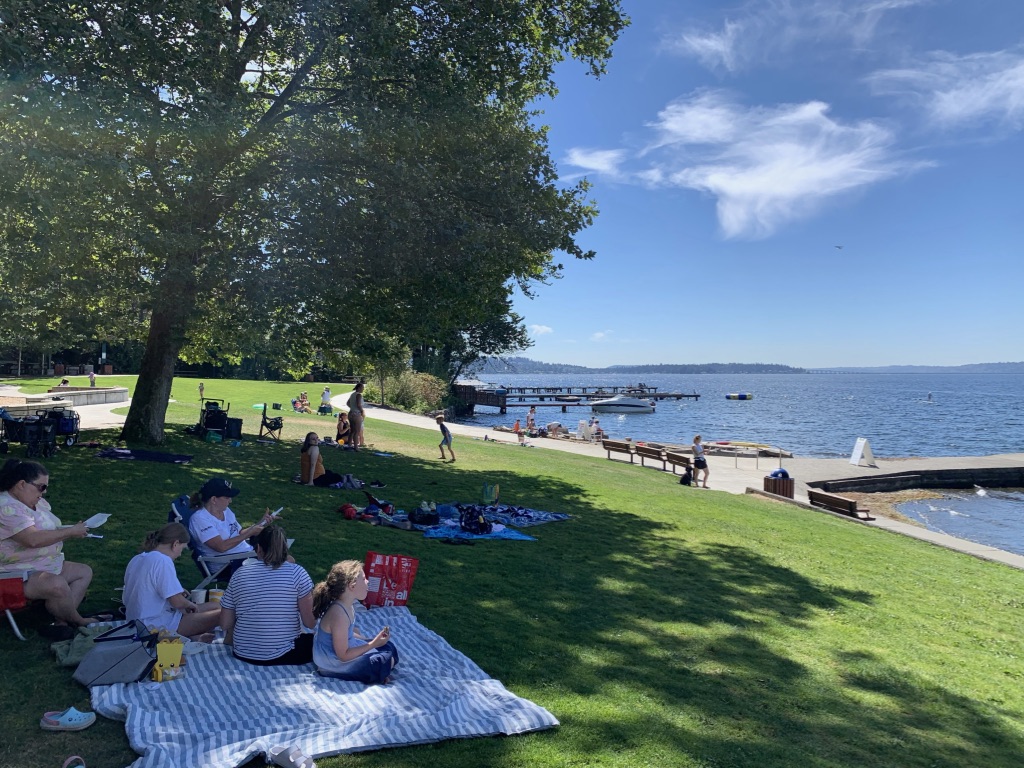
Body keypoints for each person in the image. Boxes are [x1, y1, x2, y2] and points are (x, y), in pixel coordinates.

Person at [0, 459, 96, 637]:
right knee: (56, 585)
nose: (44, 492)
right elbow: (32, 539)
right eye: (41, 487)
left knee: (83, 572)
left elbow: (45, 529)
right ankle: (78, 620)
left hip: (39, 566)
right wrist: (70, 532)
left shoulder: (34, 502)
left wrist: (69, 530)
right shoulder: (6, 507)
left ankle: (61, 622)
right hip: (11, 575)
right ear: (22, 484)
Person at [220, 525, 316, 666]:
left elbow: (225, 623)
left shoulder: (239, 574)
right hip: (284, 653)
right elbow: (310, 622)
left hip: (243, 652)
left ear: (258, 548)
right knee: (324, 640)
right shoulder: (297, 573)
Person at [122, 523, 221, 638]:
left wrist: (177, 591)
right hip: (155, 626)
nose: (180, 554)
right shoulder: (162, 560)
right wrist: (189, 604)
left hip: (134, 622)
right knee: (223, 613)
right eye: (182, 549)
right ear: (175, 544)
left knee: (215, 606)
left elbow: (147, 586)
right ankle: (193, 637)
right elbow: (177, 602)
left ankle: (194, 637)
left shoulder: (137, 559)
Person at [312, 560, 399, 684]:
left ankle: (379, 672)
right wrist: (372, 644)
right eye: (363, 579)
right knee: (384, 660)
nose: (367, 581)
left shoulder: (347, 606)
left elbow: (347, 635)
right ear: (352, 586)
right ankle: (377, 672)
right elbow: (343, 656)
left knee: (389, 647)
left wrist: (369, 640)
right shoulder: (338, 614)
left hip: (345, 652)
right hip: (332, 665)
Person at [187, 477, 272, 565]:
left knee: (279, 554)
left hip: (246, 555)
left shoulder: (226, 511)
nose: (230, 501)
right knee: (275, 561)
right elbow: (221, 547)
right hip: (228, 564)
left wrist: (262, 522)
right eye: (227, 497)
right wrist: (250, 533)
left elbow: (239, 532)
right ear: (214, 499)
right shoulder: (200, 519)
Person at [346, 383, 365, 450]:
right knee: (357, 431)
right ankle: (356, 447)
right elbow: (359, 404)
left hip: (351, 413)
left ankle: (349, 445)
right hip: (357, 414)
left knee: (352, 430)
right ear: (359, 387)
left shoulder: (352, 394)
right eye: (362, 387)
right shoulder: (358, 395)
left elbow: (348, 403)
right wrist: (362, 411)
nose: (363, 389)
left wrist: (352, 408)